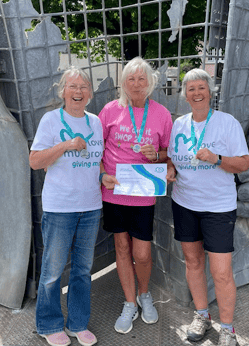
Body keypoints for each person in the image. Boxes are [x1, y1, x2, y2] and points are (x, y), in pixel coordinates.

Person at [166, 68, 249, 346]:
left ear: (210, 91)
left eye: (201, 87)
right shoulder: (179, 124)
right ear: (185, 95)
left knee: (222, 271)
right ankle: (202, 315)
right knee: (192, 262)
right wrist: (169, 169)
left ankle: (227, 328)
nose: (197, 93)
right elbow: (171, 159)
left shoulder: (227, 123)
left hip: (218, 207)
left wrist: (216, 158)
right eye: (191, 89)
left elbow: (243, 164)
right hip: (184, 203)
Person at [30, 66, 104, 346]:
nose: (78, 92)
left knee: (83, 270)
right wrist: (66, 145)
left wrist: (103, 176)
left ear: (90, 94)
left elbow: (95, 161)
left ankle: (77, 323)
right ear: (63, 92)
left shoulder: (95, 122)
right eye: (72, 87)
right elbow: (35, 161)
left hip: (91, 206)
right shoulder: (50, 120)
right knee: (52, 271)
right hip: (60, 207)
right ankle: (49, 325)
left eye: (84, 87)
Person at [98, 57, 173, 334]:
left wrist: (157, 155)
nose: (137, 84)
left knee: (141, 253)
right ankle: (130, 303)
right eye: (131, 79)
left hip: (143, 193)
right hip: (115, 191)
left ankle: (144, 295)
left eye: (142, 79)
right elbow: (98, 150)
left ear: (150, 82)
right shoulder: (110, 110)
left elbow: (168, 153)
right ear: (124, 83)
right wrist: (101, 174)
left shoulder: (162, 114)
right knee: (121, 248)